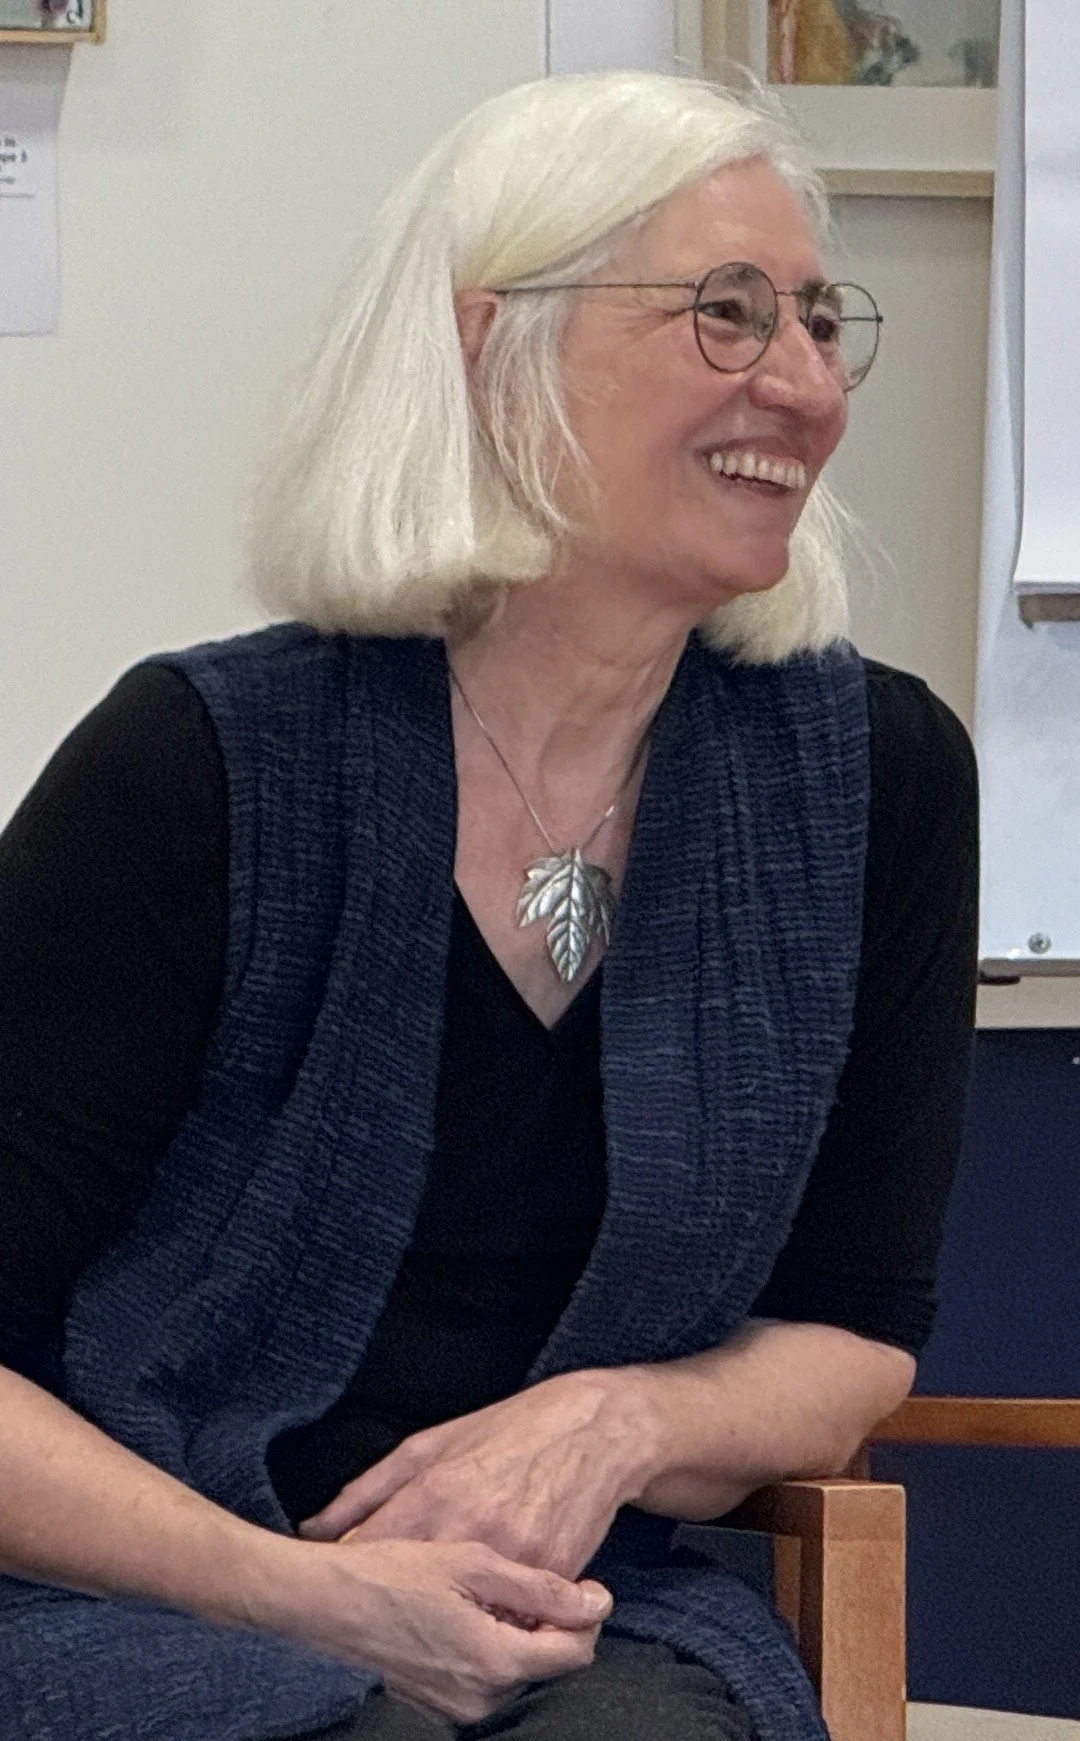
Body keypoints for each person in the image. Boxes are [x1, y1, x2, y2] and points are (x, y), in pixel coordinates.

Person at [0, 70, 978, 1741]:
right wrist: (303, 1591)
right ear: (485, 343)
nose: (805, 384)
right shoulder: (201, 765)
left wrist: (614, 1423)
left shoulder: (877, 778)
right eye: (727, 315)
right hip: (149, 1592)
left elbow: (856, 1325)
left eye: (820, 321)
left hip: (594, 1616)